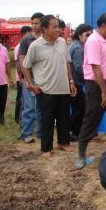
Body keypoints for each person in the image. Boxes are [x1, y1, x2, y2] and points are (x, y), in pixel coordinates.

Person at [75, 13, 106, 170]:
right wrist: (104, 93)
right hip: (97, 87)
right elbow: (95, 68)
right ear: (103, 25)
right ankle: (81, 156)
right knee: (91, 120)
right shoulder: (93, 41)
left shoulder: (105, 39)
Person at [23, 15, 76, 157]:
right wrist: (30, 84)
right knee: (47, 120)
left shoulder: (62, 43)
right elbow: (26, 66)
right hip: (45, 90)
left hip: (63, 88)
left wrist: (71, 82)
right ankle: (46, 148)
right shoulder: (35, 46)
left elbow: (67, 63)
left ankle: (63, 143)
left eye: (58, 26)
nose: (58, 29)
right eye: (54, 27)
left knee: (63, 118)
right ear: (45, 29)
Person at [18, 12, 44, 143]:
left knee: (41, 107)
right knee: (29, 107)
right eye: (32, 23)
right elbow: (22, 59)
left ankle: (40, 133)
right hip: (31, 78)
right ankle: (26, 133)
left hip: (44, 79)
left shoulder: (46, 39)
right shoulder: (26, 40)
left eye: (37, 23)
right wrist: (27, 79)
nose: (34, 25)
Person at [69, 23, 92, 140]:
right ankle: (72, 131)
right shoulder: (78, 48)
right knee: (80, 109)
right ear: (79, 35)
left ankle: (74, 132)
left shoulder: (77, 45)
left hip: (74, 82)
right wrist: (90, 78)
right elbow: (78, 67)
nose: (89, 37)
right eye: (87, 35)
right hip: (75, 83)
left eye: (91, 35)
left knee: (78, 108)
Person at [14, 25, 32, 124]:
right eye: (30, 32)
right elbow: (18, 62)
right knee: (22, 100)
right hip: (22, 77)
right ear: (25, 33)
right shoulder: (20, 45)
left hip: (24, 76)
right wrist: (20, 77)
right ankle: (19, 119)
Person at [0, 30, 13, 125]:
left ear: (0, 38)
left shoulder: (4, 49)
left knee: (3, 101)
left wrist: (10, 78)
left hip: (3, 81)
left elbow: (7, 65)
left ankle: (1, 118)